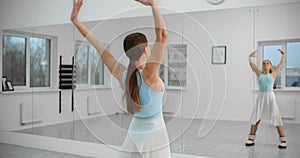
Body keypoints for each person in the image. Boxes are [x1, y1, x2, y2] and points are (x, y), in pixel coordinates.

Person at [71, 0, 171, 157]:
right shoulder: (150, 74)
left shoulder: (122, 74)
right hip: (155, 133)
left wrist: (76, 21)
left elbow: (97, 44)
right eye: (148, 46)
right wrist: (153, 4)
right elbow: (163, 35)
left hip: (135, 129)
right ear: (146, 50)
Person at [246, 49, 287, 149]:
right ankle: (251, 139)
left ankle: (283, 140)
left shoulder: (273, 74)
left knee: (276, 117)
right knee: (256, 117)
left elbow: (281, 63)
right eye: (264, 63)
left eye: (267, 63)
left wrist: (284, 54)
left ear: (270, 66)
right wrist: (250, 57)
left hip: (270, 97)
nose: (265, 65)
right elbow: (252, 65)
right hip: (261, 98)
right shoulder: (259, 74)